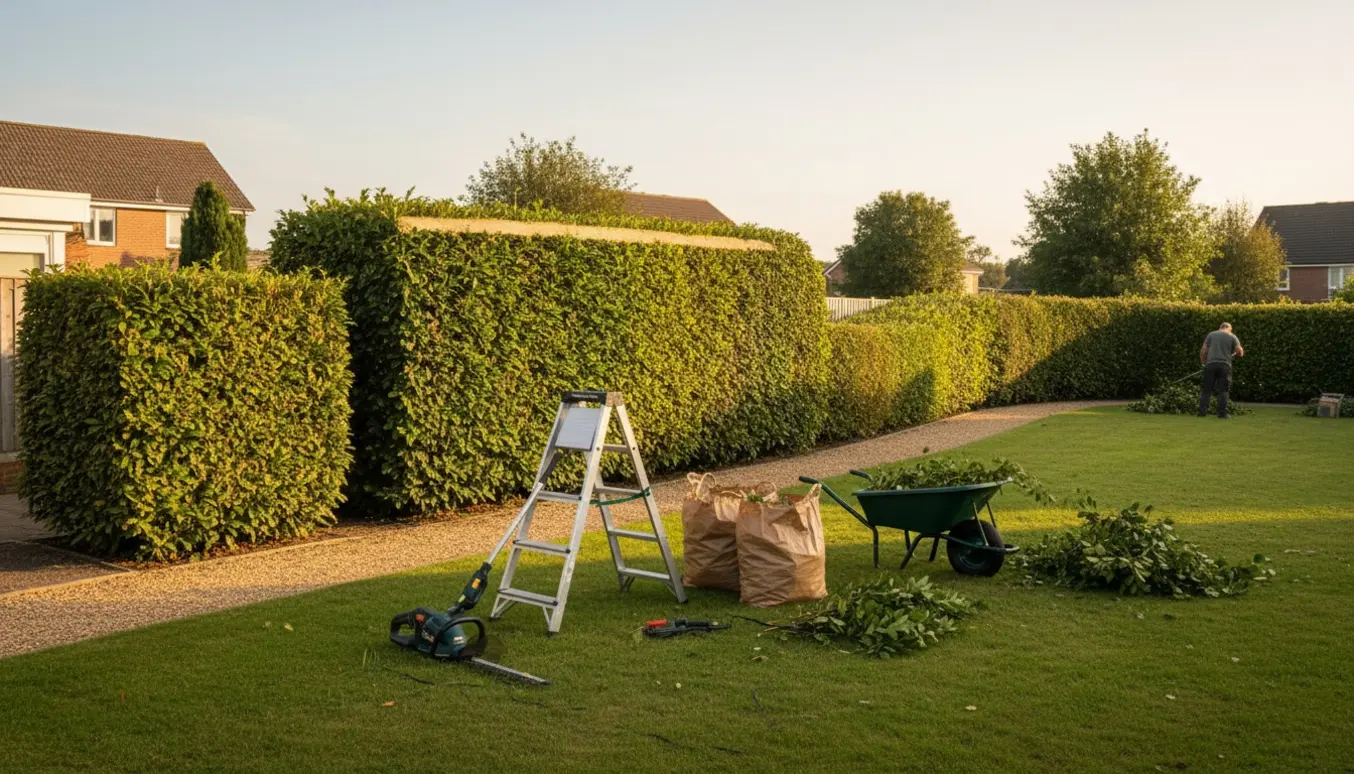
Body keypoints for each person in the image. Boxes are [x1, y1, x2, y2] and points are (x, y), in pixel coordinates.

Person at [1199, 322, 1244, 418]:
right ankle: (1222, 413)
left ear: (1220, 327)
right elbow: (1239, 352)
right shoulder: (1232, 336)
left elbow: (1203, 350)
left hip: (1210, 365)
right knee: (1223, 390)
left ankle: (1202, 412)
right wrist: (1238, 352)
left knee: (1207, 390)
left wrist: (1204, 363)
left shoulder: (1211, 335)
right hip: (1225, 366)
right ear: (1229, 329)